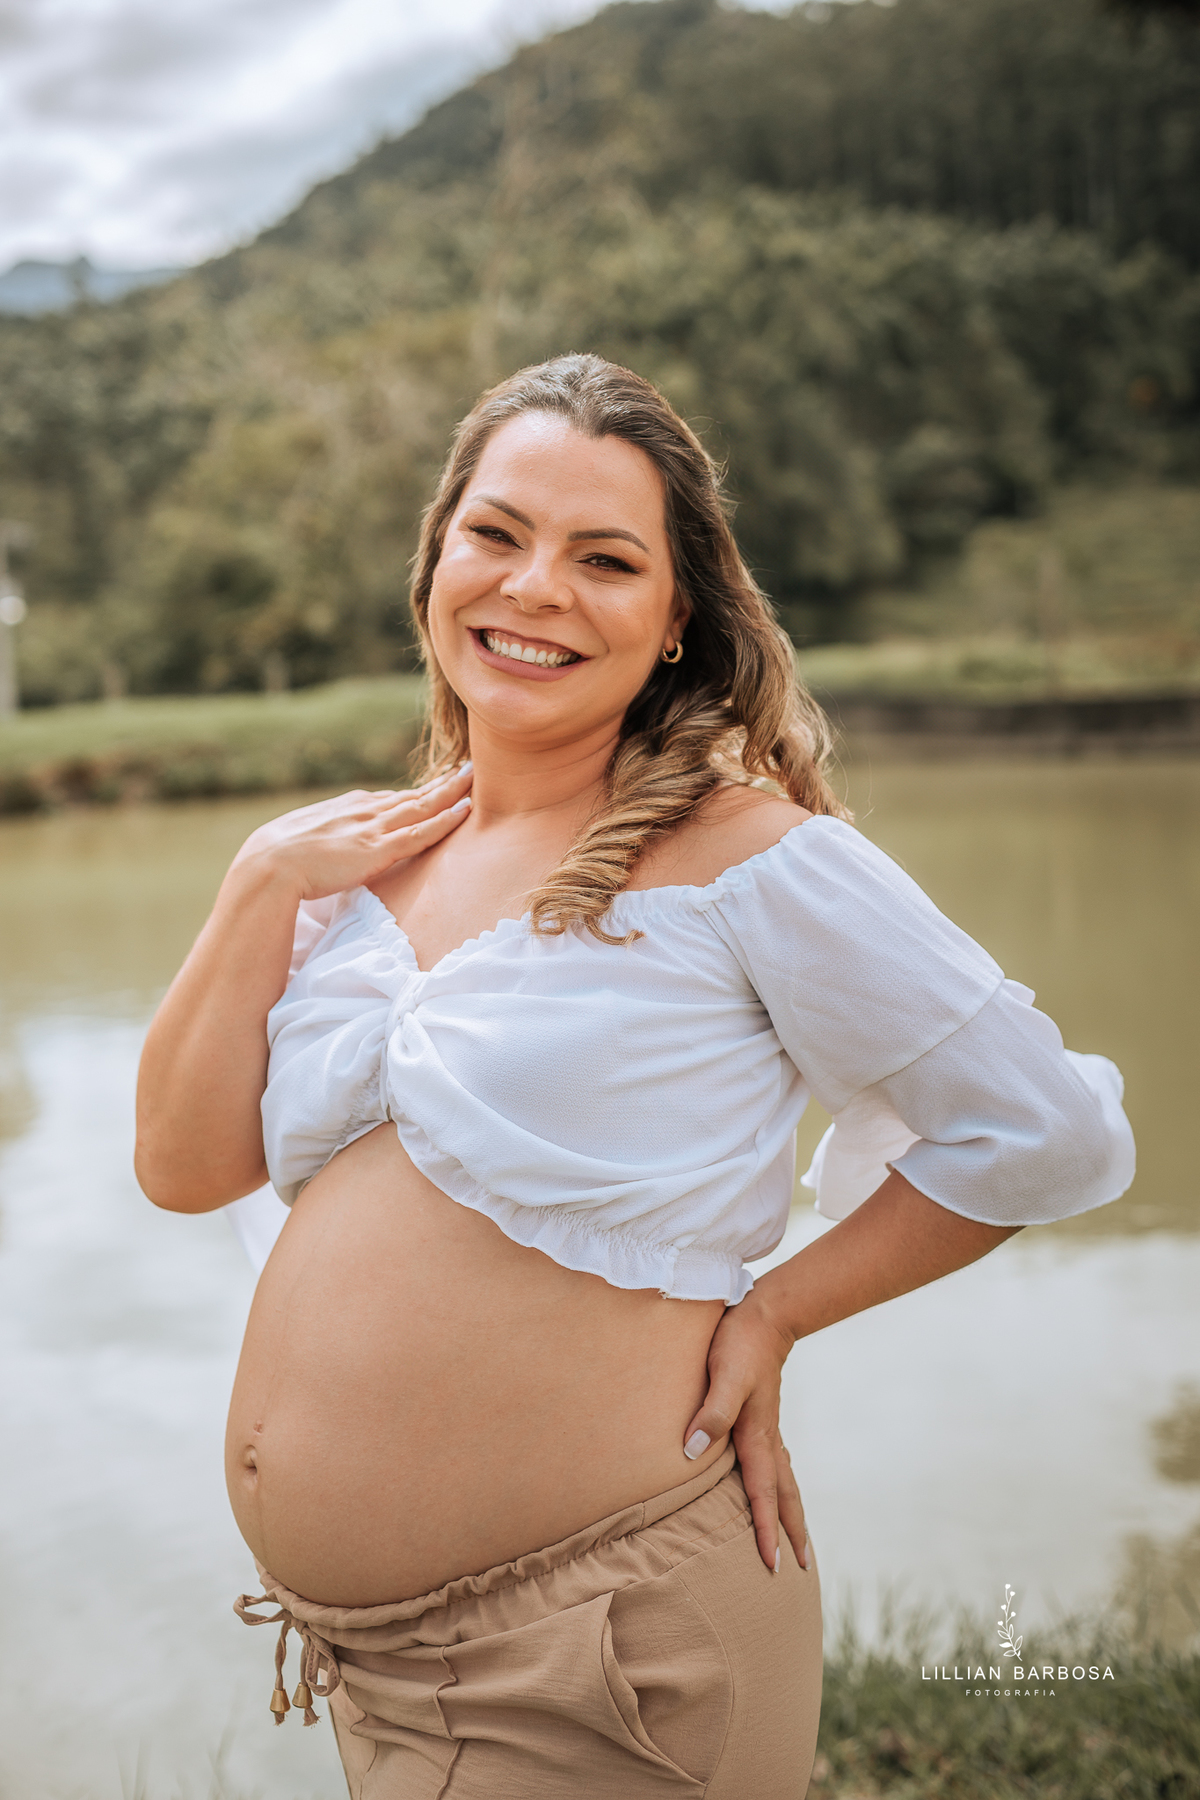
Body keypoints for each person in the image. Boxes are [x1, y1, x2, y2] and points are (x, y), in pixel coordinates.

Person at [135, 354, 1135, 1798]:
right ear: (434, 565)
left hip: (605, 1653)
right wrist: (254, 886)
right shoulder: (354, 863)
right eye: (497, 534)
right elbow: (182, 1169)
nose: (535, 587)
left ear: (677, 622)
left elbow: (1039, 1132)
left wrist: (779, 1310)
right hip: (376, 1672)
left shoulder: (746, 856)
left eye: (605, 558)